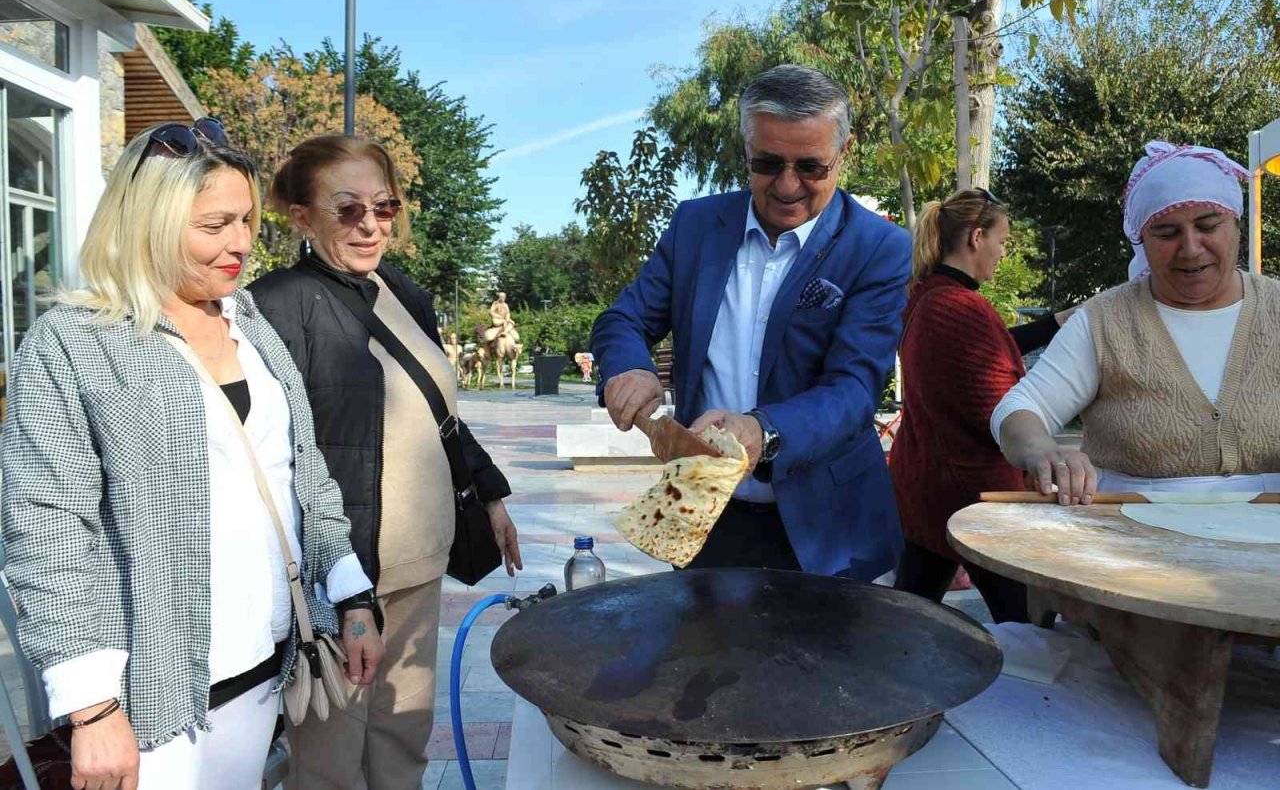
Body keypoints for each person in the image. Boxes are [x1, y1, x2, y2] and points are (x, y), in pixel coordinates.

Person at [0, 121, 382, 790]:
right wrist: (92, 709)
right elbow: (49, 532)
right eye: (214, 226)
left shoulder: (248, 322)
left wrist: (351, 597)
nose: (240, 243)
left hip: (263, 668)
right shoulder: (74, 342)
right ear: (147, 221)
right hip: (153, 697)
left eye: (245, 220)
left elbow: (301, 471)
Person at [249, 135, 523, 789]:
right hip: (341, 580)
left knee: (403, 741)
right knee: (331, 761)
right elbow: (273, 455)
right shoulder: (277, 306)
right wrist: (334, 587)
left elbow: (440, 414)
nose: (370, 224)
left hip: (419, 566)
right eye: (347, 210)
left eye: (384, 206)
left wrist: (490, 494)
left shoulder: (403, 292)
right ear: (300, 215)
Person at [591, 64, 912, 579]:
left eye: (811, 167)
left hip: (826, 532)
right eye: (767, 163)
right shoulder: (695, 226)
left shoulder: (878, 247)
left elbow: (854, 390)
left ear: (843, 153)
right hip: (704, 517)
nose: (787, 187)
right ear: (745, 151)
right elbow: (622, 319)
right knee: (702, 659)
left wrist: (765, 429)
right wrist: (628, 367)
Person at [993, 141, 1280, 502]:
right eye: (1167, 233)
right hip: (1131, 540)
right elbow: (1020, 409)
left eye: (1208, 225)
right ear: (1141, 239)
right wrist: (1042, 452)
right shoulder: (1104, 322)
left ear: (1236, 225)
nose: (1191, 248)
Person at [890, 189, 1072, 622]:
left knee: (908, 614)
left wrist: (1057, 323)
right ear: (976, 237)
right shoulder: (956, 306)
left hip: (931, 487)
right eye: (1002, 241)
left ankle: (881, 680)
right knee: (1029, 624)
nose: (1003, 252)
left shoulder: (933, 297)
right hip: (974, 496)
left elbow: (994, 343)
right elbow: (1000, 408)